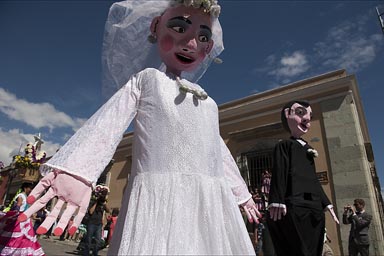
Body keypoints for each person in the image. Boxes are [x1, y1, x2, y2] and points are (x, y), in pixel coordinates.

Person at [18, 0, 261, 255]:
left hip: (209, 205)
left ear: (208, 47)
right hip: (158, 203)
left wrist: (240, 190)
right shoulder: (148, 80)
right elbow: (110, 122)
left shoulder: (208, 102)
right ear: (156, 27)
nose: (191, 44)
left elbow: (217, 149)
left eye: (202, 37)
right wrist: (78, 170)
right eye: (179, 28)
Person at [267, 100, 339, 256]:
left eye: (310, 115)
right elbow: (280, 172)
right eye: (300, 113)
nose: (307, 118)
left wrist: (326, 203)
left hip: (314, 207)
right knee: (298, 248)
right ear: (287, 114)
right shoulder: (284, 145)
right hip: (295, 204)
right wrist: (277, 199)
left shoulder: (309, 149)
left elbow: (313, 179)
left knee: (314, 247)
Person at [0, 182, 44, 255]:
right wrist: (16, 213)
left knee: (26, 238)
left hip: (25, 219)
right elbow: (18, 205)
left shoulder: (26, 197)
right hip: (19, 219)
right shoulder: (21, 195)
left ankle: (23, 252)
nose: (31, 190)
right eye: (30, 188)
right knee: (18, 237)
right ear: (25, 188)